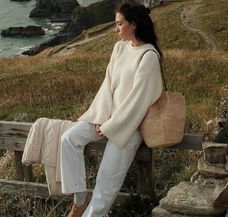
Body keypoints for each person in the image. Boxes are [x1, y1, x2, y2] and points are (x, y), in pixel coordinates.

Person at [60, 2, 163, 217]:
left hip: (129, 127)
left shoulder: (149, 56)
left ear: (133, 25)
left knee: (106, 181)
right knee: (68, 139)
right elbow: (107, 86)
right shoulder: (119, 48)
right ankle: (79, 199)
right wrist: (100, 117)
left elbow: (138, 101)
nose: (115, 29)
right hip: (106, 119)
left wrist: (111, 126)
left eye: (119, 24)